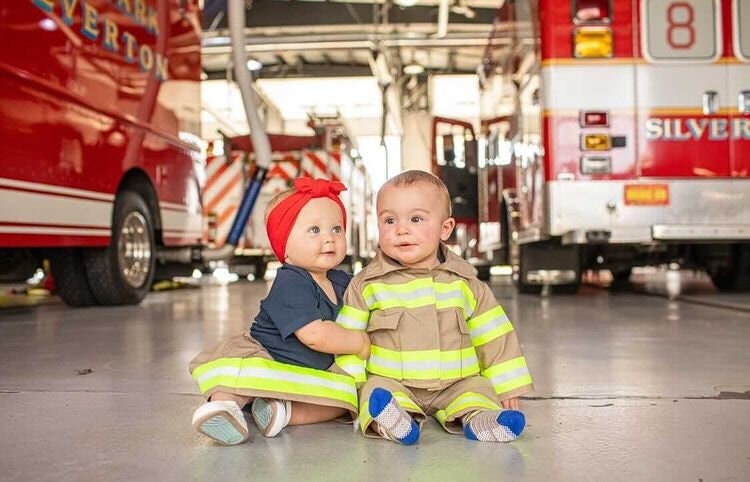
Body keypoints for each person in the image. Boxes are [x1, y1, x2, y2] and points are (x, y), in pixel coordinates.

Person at [334, 170, 533, 445]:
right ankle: (394, 422)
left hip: (457, 381)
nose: (401, 229)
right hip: (394, 382)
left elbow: (494, 335)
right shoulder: (367, 285)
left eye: (416, 219)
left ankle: (482, 421)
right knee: (375, 393)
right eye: (389, 220)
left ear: (445, 228)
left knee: (479, 392)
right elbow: (348, 340)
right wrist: (351, 386)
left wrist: (508, 385)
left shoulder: (465, 283)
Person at [189, 177, 370, 445]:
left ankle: (282, 412)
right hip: (269, 357)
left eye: (336, 229)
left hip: (308, 373)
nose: (329, 238)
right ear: (284, 246)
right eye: (314, 230)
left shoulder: (342, 281)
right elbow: (314, 335)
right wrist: (359, 341)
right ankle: (225, 408)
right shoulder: (291, 281)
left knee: (344, 401)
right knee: (239, 376)